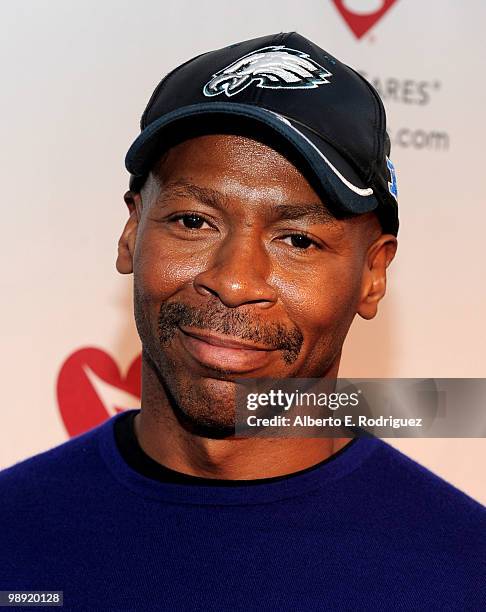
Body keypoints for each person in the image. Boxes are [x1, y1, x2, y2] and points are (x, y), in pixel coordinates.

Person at [0, 32, 484, 611]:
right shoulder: (13, 534)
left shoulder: (465, 573)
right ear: (131, 231)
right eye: (193, 221)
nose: (233, 281)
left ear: (373, 274)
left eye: (297, 240)